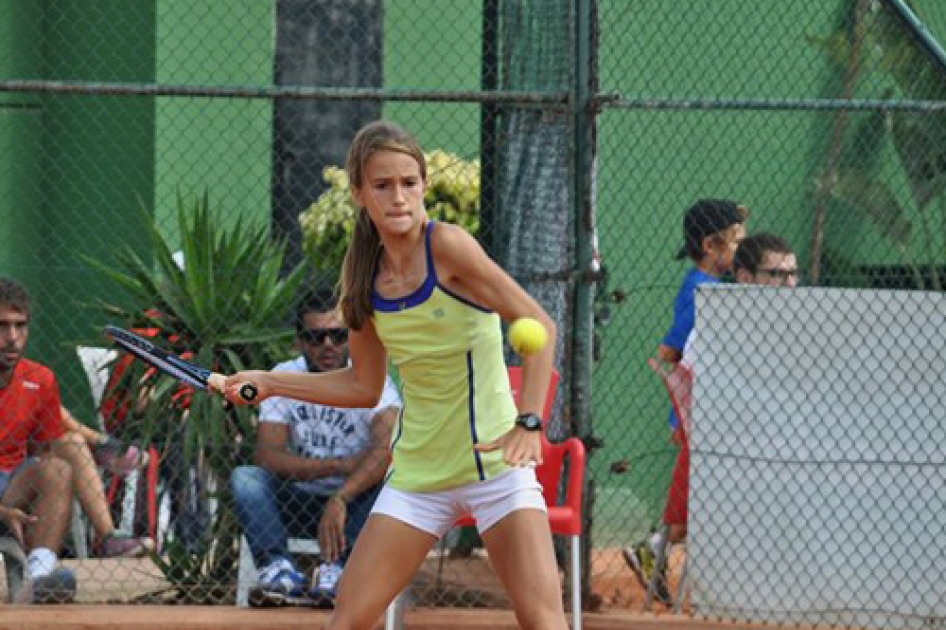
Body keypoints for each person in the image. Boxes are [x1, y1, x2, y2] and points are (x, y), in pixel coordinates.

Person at [220, 120, 566, 630]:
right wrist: (271, 382)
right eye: (383, 185)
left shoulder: (448, 247)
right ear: (360, 193)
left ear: (424, 185)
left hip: (495, 471)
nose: (399, 196)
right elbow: (361, 386)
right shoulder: (362, 281)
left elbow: (539, 326)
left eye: (409, 182)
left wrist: (531, 421)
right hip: (419, 478)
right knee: (348, 620)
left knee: (542, 621)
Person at [230, 286, 401, 608]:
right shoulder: (283, 376)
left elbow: (386, 450)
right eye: (315, 337)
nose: (327, 346)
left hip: (355, 504)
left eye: (338, 336)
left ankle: (338, 568)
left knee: (393, 482)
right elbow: (268, 455)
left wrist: (341, 496)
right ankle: (277, 569)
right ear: (299, 340)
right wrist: (339, 466)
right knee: (246, 478)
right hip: (298, 500)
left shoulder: (374, 380)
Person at [624, 199, 748, 605]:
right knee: (697, 497)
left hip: (714, 412)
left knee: (704, 497)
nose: (739, 251)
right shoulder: (701, 289)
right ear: (711, 245)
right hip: (696, 412)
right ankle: (653, 547)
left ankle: (656, 548)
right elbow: (670, 349)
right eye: (735, 243)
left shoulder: (715, 288)